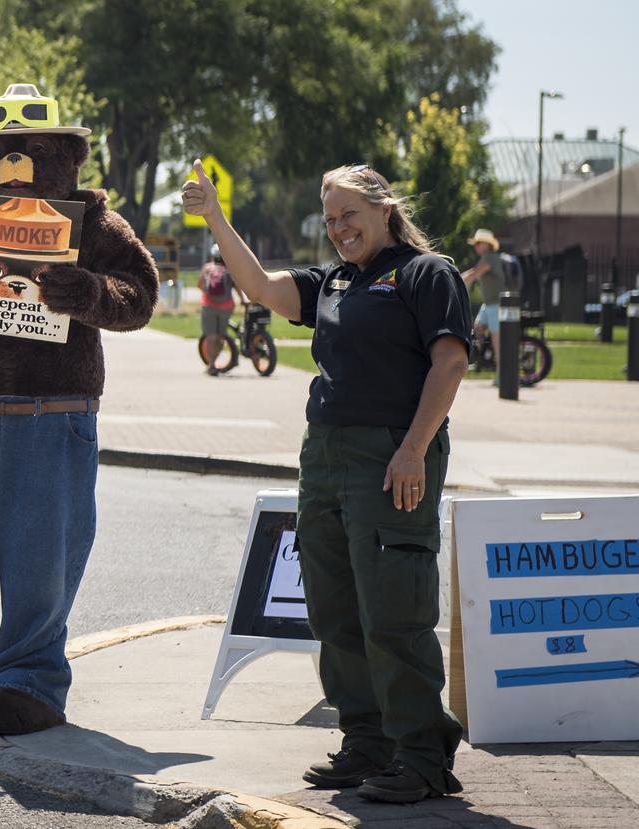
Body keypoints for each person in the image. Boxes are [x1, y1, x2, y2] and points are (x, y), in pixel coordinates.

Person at [183, 161, 471, 804]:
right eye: (331, 217)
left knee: (395, 609)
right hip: (325, 458)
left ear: (384, 208)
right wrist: (215, 219)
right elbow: (259, 286)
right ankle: (367, 741)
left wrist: (413, 450)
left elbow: (449, 362)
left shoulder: (427, 274)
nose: (340, 228)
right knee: (335, 609)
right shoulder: (336, 280)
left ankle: (422, 755)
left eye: (351, 215)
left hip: (392, 455)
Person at [459, 229, 507, 381]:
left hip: (496, 305)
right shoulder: (486, 257)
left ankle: (502, 374)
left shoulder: (491, 258)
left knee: (497, 339)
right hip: (488, 304)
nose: (476, 246)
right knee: (477, 328)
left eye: (479, 243)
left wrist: (457, 281)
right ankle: (483, 358)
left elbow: (475, 273)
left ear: (487, 244)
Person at [198, 244, 244, 375]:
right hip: (226, 307)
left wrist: (209, 293)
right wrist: (242, 300)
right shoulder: (230, 269)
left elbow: (200, 285)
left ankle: (212, 365)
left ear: (212, 255)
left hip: (209, 306)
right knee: (220, 337)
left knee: (210, 336)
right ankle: (214, 363)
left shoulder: (207, 268)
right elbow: (237, 286)